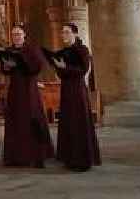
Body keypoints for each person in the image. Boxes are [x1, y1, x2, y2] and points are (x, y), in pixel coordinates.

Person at [0, 24, 54, 167]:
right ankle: (16, 157)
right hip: (15, 90)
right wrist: (6, 66)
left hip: (29, 89)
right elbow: (4, 70)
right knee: (15, 120)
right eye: (14, 34)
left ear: (24, 35)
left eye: (18, 34)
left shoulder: (31, 49)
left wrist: (22, 61)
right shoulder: (9, 50)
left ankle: (38, 157)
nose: (16, 37)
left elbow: (38, 66)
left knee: (33, 120)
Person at [53, 23, 101, 171]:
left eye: (67, 32)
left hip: (78, 90)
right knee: (68, 121)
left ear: (75, 34)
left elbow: (83, 69)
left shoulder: (82, 50)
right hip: (66, 89)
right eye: (62, 32)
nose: (64, 35)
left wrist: (64, 68)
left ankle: (82, 159)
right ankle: (69, 157)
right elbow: (61, 74)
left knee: (79, 122)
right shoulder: (63, 51)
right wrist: (59, 67)